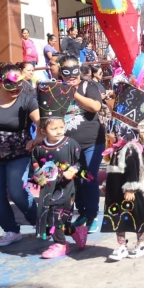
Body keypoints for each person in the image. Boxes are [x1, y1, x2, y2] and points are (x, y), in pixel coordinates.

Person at [30, 82, 88, 258]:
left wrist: (74, 170)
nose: (58, 131)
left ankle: (61, 244)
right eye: (53, 128)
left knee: (58, 215)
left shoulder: (71, 144)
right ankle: (76, 231)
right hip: (48, 187)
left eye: (61, 127)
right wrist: (39, 176)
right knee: (51, 216)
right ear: (43, 129)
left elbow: (81, 163)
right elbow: (34, 164)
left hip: (66, 187)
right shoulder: (39, 148)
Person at [102, 81, 144, 261]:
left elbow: (132, 169)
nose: (109, 133)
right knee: (116, 214)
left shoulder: (130, 149)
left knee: (134, 213)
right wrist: (107, 184)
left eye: (112, 130)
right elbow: (114, 168)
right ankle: (121, 244)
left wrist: (131, 188)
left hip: (129, 190)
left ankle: (142, 242)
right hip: (117, 188)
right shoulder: (116, 149)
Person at [54, 55, 105, 233]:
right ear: (61, 72)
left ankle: (92, 216)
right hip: (68, 145)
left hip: (92, 142)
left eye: (75, 70)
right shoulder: (56, 89)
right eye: (67, 71)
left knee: (88, 179)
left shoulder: (88, 85)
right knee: (75, 181)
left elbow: (95, 107)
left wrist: (73, 93)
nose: (72, 75)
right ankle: (82, 214)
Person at [0, 63, 39, 247]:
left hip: (19, 153)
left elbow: (40, 122)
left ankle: (38, 222)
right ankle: (11, 230)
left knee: (17, 191)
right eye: (11, 85)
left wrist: (40, 137)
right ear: (0, 81)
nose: (16, 89)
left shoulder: (27, 99)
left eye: (19, 84)